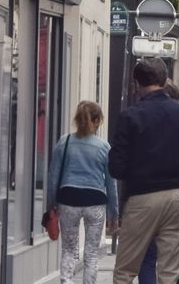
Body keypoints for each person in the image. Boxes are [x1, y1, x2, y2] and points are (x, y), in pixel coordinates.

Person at [109, 58, 179, 284]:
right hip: (177, 197)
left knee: (125, 271)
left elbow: (116, 168)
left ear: (137, 84)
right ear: (163, 80)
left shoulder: (130, 116)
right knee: (170, 273)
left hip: (142, 199)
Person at [46, 101, 119, 284]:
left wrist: (51, 205)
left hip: (68, 199)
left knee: (69, 249)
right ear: (97, 121)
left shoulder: (64, 142)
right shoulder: (104, 147)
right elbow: (111, 183)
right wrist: (113, 213)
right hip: (95, 201)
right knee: (92, 252)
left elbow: (53, 177)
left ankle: (66, 280)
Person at [137, 84, 179, 284]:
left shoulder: (141, 118)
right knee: (170, 261)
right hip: (175, 199)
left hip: (145, 197)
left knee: (148, 257)